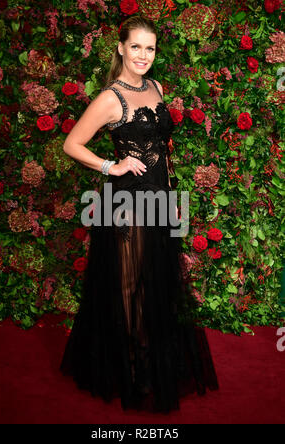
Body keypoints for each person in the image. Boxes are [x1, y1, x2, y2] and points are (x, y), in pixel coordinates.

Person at [60, 15, 219, 413]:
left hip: (159, 200)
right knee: (129, 284)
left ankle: (150, 355)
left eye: (149, 48)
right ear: (121, 48)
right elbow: (72, 143)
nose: (143, 55)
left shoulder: (156, 87)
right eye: (136, 47)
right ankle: (133, 365)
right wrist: (109, 167)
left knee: (155, 281)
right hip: (126, 203)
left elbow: (159, 148)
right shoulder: (111, 98)